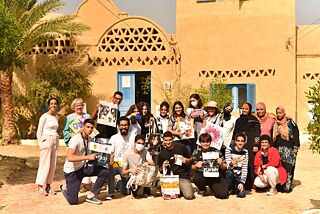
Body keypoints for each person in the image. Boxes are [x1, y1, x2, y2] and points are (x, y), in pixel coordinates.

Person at [60, 119, 111, 205]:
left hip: (84, 167)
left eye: (91, 128)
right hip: (72, 171)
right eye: (87, 127)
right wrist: (88, 157)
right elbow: (69, 157)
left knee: (105, 171)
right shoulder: (75, 139)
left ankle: (91, 195)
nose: (90, 129)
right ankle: (65, 189)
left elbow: (95, 153)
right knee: (73, 201)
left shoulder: (91, 139)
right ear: (83, 127)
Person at [62, 98, 93, 193]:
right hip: (74, 143)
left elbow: (92, 128)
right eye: (77, 106)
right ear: (73, 107)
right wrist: (74, 135)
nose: (79, 107)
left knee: (85, 162)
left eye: (80, 105)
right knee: (74, 163)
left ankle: (84, 184)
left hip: (85, 142)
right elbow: (65, 131)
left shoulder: (87, 116)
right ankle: (72, 183)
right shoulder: (69, 118)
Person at [158, 131, 194, 200]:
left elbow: (191, 158)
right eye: (166, 140)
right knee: (158, 184)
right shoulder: (161, 154)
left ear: (173, 139)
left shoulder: (181, 147)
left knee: (189, 196)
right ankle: (176, 189)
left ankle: (179, 188)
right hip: (169, 177)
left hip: (182, 176)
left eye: (170, 140)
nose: (168, 142)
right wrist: (163, 166)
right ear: (163, 140)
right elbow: (160, 170)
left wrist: (187, 160)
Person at [232, 102, 260, 190]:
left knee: (249, 163)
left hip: (250, 144)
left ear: (250, 110)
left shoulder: (254, 120)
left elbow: (257, 133)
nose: (244, 110)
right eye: (243, 108)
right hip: (239, 144)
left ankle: (250, 184)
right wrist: (233, 144)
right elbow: (235, 133)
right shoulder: (239, 120)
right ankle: (238, 183)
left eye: (246, 109)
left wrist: (256, 144)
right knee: (239, 162)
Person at [191, 133, 228, 199]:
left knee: (223, 195)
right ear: (200, 142)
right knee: (196, 178)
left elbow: (225, 167)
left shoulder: (216, 151)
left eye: (207, 142)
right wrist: (196, 166)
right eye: (203, 142)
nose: (205, 144)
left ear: (210, 142)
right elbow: (192, 168)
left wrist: (221, 164)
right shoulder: (196, 152)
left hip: (215, 176)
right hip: (202, 175)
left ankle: (213, 188)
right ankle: (203, 189)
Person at [35, 97, 60, 196]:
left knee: (52, 164)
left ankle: (48, 186)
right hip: (46, 139)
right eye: (51, 104)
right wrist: (41, 143)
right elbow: (39, 131)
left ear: (57, 106)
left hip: (55, 139)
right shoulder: (44, 116)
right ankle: (40, 186)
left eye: (55, 104)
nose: (53, 105)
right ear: (48, 105)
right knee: (45, 163)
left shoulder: (56, 117)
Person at [272, 106, 300, 192]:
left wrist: (296, 147)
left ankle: (287, 186)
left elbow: (296, 134)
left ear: (284, 113)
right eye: (277, 113)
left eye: (280, 112)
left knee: (289, 167)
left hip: (289, 149)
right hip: (278, 149)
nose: (278, 114)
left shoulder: (290, 122)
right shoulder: (275, 123)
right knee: (280, 167)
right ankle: (280, 185)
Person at [107, 116, 135, 199]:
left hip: (127, 165)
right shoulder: (114, 138)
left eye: (125, 125)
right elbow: (111, 153)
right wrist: (110, 165)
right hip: (116, 163)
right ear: (118, 126)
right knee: (110, 171)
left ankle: (119, 184)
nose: (123, 127)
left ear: (129, 126)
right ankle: (111, 192)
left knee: (125, 192)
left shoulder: (133, 137)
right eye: (121, 125)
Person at [225, 133, 249, 198]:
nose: (240, 143)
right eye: (238, 141)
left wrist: (242, 182)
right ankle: (228, 189)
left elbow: (245, 168)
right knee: (229, 173)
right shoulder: (229, 150)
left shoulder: (245, 152)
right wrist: (231, 163)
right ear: (235, 141)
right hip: (230, 175)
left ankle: (236, 188)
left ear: (245, 142)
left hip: (238, 177)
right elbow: (227, 166)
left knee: (241, 195)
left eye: (242, 141)